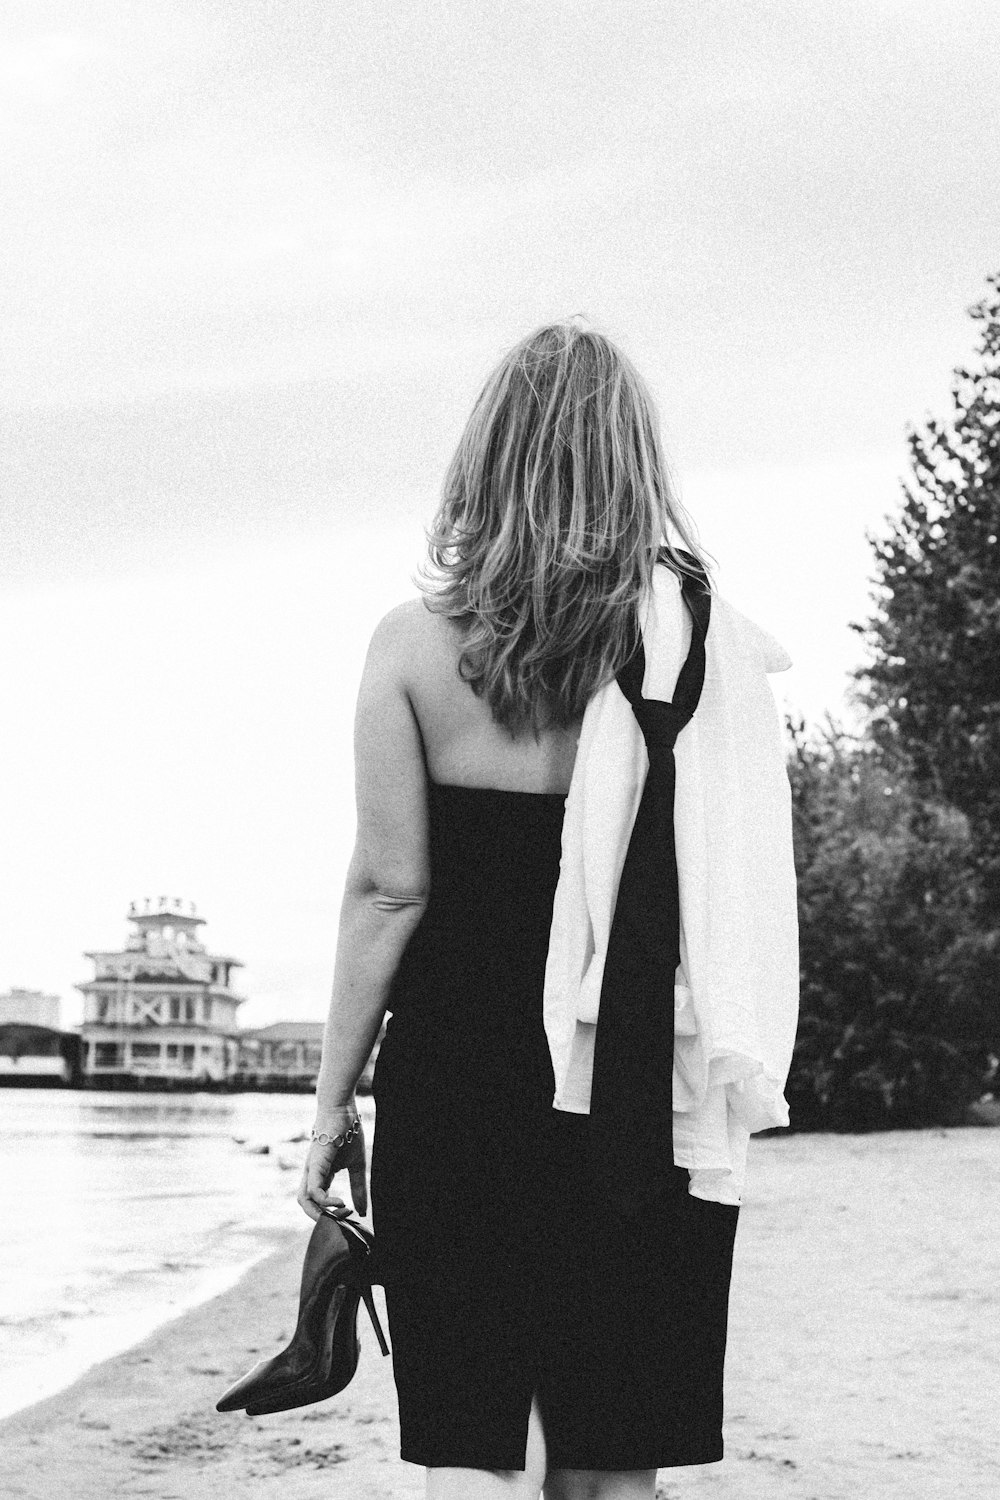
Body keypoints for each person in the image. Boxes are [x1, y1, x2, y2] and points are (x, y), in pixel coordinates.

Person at [297, 320, 794, 1500]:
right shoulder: (692, 658)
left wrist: (329, 1105)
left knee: (471, 1452)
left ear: (486, 459)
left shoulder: (414, 649)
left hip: (460, 1085)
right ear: (633, 465)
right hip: (630, 1074)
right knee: (614, 1459)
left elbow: (389, 889)